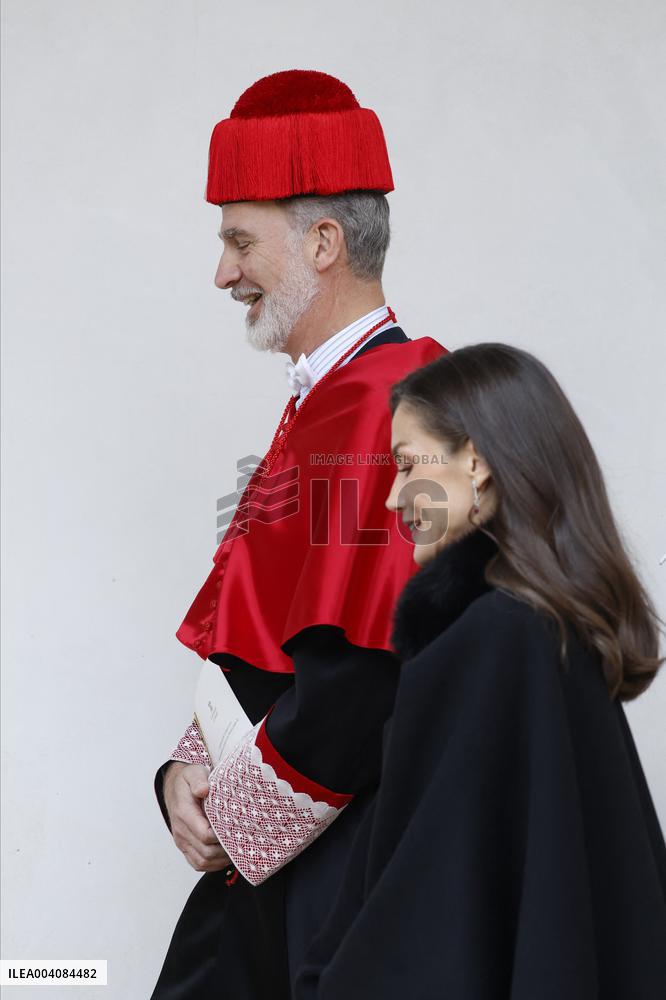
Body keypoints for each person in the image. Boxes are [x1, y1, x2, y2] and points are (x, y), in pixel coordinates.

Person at [150, 69, 445, 998]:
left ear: (324, 243)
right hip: (288, 861)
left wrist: (229, 829)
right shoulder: (324, 402)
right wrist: (181, 777)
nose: (223, 272)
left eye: (241, 241)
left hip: (339, 883)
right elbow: (266, 637)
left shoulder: (387, 404)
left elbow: (358, 684)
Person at [295, 343, 666, 1000]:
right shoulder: (551, 631)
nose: (393, 500)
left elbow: (427, 927)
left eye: (408, 465)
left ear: (477, 461)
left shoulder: (492, 643)